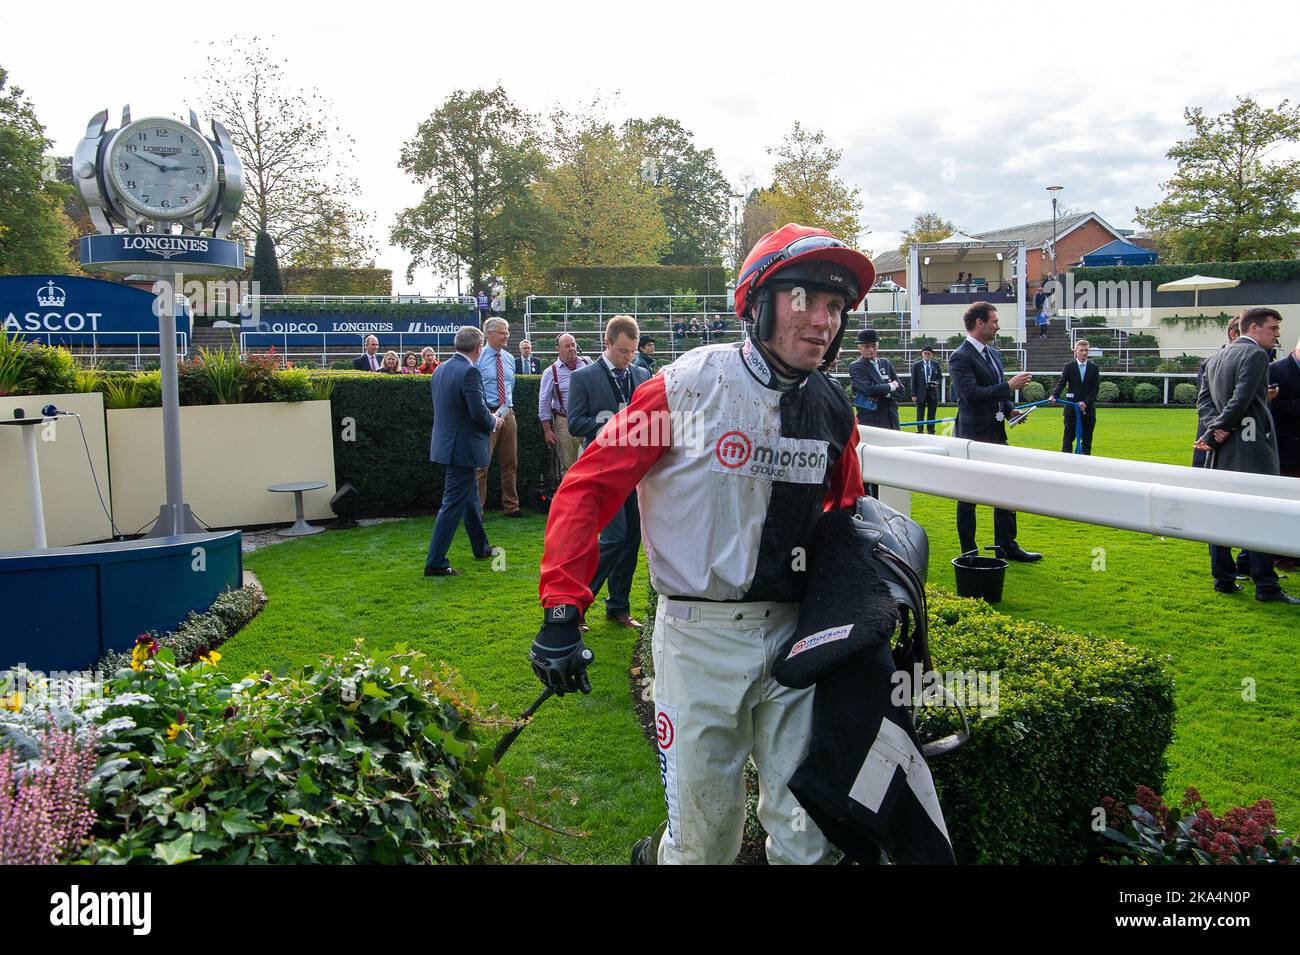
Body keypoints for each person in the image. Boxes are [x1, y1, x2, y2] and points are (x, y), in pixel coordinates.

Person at [529, 223, 872, 865]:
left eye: (834, 307)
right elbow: (588, 489)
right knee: (705, 842)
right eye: (804, 300)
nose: (822, 320)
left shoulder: (834, 409)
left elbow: (844, 517)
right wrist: (561, 610)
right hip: (697, 640)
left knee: (808, 836)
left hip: (799, 640)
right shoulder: (684, 388)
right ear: (759, 303)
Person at [1195, 307, 1298, 604]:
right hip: (1252, 449)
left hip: (1223, 450)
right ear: (1253, 328)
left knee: (1221, 512)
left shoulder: (1215, 357)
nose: (1277, 334)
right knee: (1261, 515)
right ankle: (1266, 587)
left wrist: (1215, 429)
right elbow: (1241, 398)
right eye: (1273, 328)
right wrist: (1220, 429)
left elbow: (1203, 402)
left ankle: (1224, 579)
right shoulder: (1255, 356)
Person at [565, 316, 650, 630]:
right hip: (602, 469)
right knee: (614, 539)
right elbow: (575, 424)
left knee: (631, 540)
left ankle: (618, 608)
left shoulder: (642, 373)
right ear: (607, 343)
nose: (628, 358)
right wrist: (613, 422)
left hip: (635, 471)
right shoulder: (584, 377)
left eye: (632, 352)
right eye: (623, 351)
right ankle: (576, 606)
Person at [949, 301, 1041, 562]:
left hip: (997, 434)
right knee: (968, 496)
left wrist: (1010, 409)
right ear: (979, 323)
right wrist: (1008, 387)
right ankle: (969, 551)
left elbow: (993, 391)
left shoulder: (993, 353)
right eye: (994, 321)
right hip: (972, 438)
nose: (997, 326)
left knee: (1006, 489)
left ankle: (1006, 545)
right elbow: (970, 395)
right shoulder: (960, 356)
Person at [423, 326, 501, 577]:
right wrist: (494, 421)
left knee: (468, 500)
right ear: (479, 348)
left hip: (448, 445)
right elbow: (477, 412)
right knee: (452, 505)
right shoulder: (470, 371)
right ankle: (435, 562)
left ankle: (482, 547)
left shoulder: (441, 369)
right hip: (463, 448)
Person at [476, 317, 521, 517]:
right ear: (490, 334)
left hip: (507, 411)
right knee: (481, 465)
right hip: (487, 412)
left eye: (507, 331)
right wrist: (486, 412)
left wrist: (506, 410)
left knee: (510, 462)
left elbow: (511, 387)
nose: (507, 336)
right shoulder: (478, 358)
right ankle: (477, 510)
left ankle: (511, 507)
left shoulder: (510, 358)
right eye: (503, 332)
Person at [538, 333, 592, 474]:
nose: (572, 348)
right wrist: (547, 430)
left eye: (573, 345)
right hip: (565, 421)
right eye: (567, 346)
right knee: (569, 466)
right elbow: (544, 403)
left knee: (595, 462)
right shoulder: (550, 372)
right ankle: (570, 496)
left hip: (589, 420)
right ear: (558, 349)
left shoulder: (587, 363)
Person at [1269, 338, 1300, 571]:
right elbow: (1272, 407)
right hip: (1287, 450)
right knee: (1286, 505)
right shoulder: (1275, 370)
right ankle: (1281, 556)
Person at [1050, 339, 1100, 454]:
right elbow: (1061, 383)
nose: (1084, 353)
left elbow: (1095, 389)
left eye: (1086, 350)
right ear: (1076, 351)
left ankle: (1085, 466)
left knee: (1087, 440)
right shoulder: (1069, 367)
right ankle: (1066, 466)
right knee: (1068, 439)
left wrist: (1085, 402)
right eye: (1081, 350)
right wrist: (1054, 396)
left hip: (1088, 410)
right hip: (1071, 410)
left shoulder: (1094, 368)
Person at [849, 329, 902, 430]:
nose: (871, 349)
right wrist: (891, 386)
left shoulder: (886, 363)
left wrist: (881, 391)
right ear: (859, 348)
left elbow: (901, 391)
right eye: (867, 346)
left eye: (874, 345)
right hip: (871, 420)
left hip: (892, 418)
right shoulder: (856, 367)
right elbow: (869, 390)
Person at [910, 346, 941, 434]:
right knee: (920, 413)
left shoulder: (935, 365)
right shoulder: (917, 365)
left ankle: (931, 430)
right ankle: (920, 430)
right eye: (925, 353)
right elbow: (913, 380)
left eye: (929, 353)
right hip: (920, 393)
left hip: (932, 392)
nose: (927, 355)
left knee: (932, 413)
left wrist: (936, 383)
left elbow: (940, 377)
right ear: (922, 354)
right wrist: (913, 394)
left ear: (932, 355)